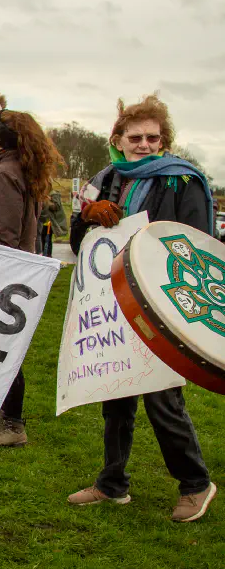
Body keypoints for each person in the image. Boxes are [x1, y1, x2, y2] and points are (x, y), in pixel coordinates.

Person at [68, 93, 217, 522]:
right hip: (112, 302)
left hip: (162, 305)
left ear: (164, 139)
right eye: (136, 137)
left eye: (153, 137)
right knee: (115, 395)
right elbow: (79, 244)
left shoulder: (182, 181)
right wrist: (89, 216)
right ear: (118, 138)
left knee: (161, 398)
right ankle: (112, 484)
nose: (145, 145)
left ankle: (195, 482)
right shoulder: (105, 178)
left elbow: (195, 245)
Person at [0, 108, 64, 448]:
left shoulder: (5, 173)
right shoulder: (19, 169)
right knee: (2, 350)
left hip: (4, 277)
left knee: (3, 351)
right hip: (17, 272)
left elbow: (6, 237)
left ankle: (12, 424)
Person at [36, 188, 67, 257]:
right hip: (42, 220)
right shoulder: (43, 193)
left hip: (49, 222)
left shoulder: (54, 194)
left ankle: (48, 255)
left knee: (47, 239)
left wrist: (47, 201)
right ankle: (43, 255)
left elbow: (56, 207)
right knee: (41, 238)